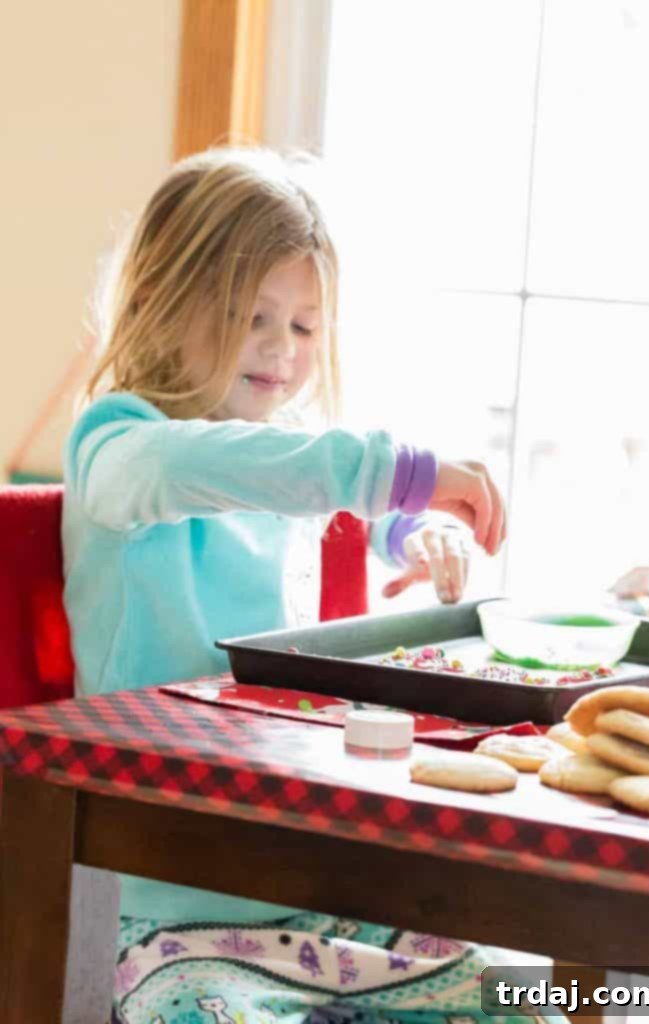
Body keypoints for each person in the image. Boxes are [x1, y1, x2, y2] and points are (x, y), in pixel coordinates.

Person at [62, 148, 555, 1024]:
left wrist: (417, 527)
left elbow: (338, 508)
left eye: (303, 325)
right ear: (159, 302)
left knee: (515, 993)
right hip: (162, 907)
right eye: (251, 315)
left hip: (305, 875)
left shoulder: (277, 461)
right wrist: (403, 471)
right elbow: (238, 468)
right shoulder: (121, 450)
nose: (280, 351)